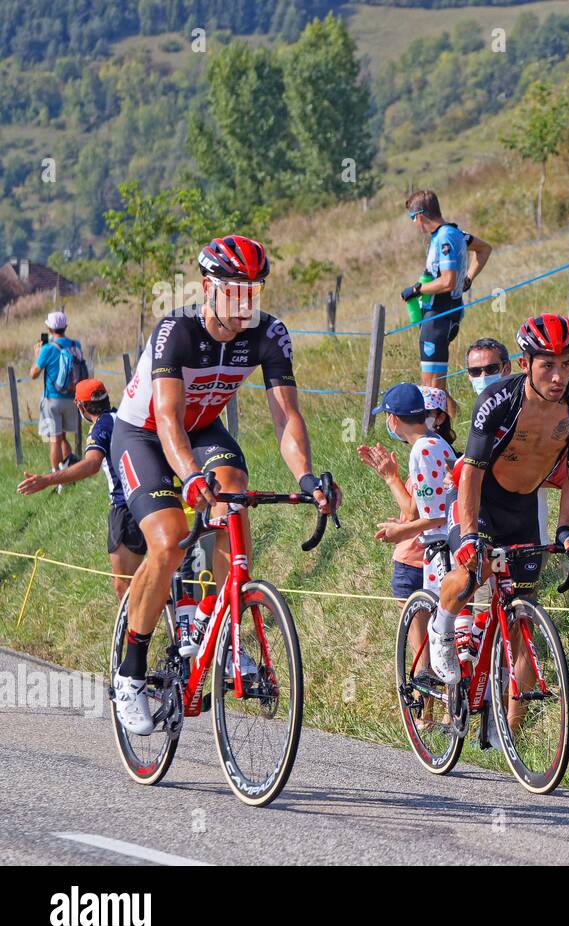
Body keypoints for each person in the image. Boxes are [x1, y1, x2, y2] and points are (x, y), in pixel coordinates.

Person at [109, 234, 339, 736]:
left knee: (234, 492)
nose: (244, 303)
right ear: (208, 287)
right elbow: (167, 418)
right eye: (234, 290)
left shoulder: (268, 333)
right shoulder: (178, 330)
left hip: (204, 429)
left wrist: (306, 476)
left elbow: (286, 418)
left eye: (252, 291)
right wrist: (190, 478)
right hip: (145, 433)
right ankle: (130, 671)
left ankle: (221, 626)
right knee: (169, 540)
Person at [427, 314, 569, 727]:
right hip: (480, 498)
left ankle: (511, 726)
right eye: (548, 365)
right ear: (525, 364)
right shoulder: (498, 401)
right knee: (472, 571)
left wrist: (564, 529)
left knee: (523, 612)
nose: (559, 376)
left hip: (523, 506)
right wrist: (469, 535)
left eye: (566, 363)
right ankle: (443, 629)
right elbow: (470, 471)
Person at [16, 379, 145, 601]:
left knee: (124, 585)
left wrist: (47, 479)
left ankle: (139, 633)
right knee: (144, 577)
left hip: (126, 507)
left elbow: (92, 464)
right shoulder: (125, 415)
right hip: (149, 499)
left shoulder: (102, 425)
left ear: (80, 406)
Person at [358, 383, 457, 603]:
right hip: (447, 548)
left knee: (442, 631)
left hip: (442, 553)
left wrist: (402, 532)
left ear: (393, 419)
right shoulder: (437, 442)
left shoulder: (423, 449)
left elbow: (438, 517)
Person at [401, 190, 493, 415]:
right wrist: (468, 277)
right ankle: (456, 420)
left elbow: (448, 281)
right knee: (434, 384)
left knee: (431, 388)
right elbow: (484, 248)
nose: (414, 224)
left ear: (420, 216)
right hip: (442, 314)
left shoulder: (445, 237)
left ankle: (445, 429)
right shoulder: (456, 233)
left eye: (412, 218)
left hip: (439, 315)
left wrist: (417, 289)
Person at [29, 310, 86, 476]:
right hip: (71, 397)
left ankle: (57, 478)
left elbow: (34, 374)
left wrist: (37, 355)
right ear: (65, 327)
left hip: (52, 399)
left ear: (48, 327)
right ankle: (69, 468)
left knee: (54, 439)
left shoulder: (47, 348)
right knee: (61, 436)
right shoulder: (76, 345)